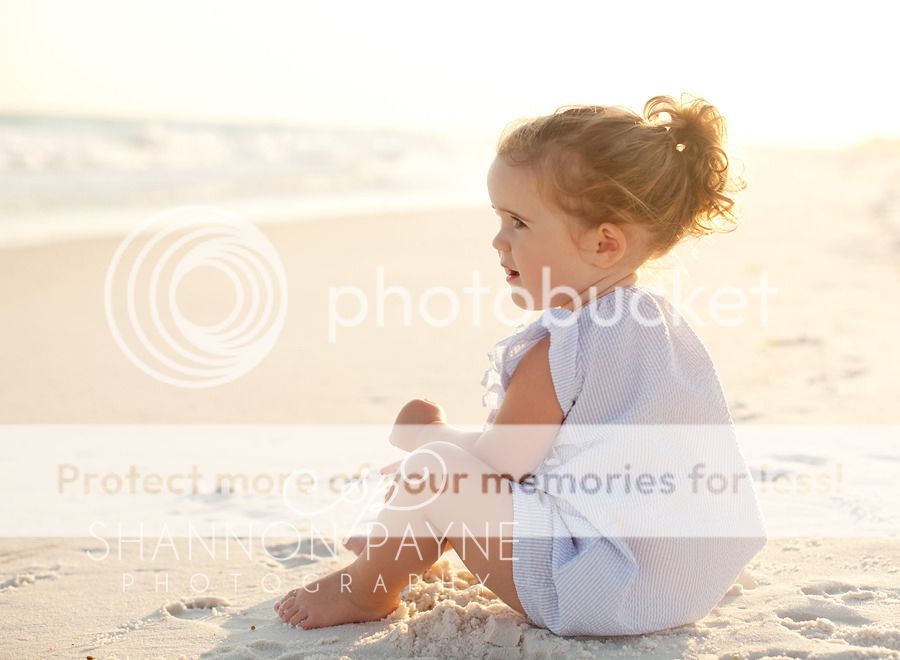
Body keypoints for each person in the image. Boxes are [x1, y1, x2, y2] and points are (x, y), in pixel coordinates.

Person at [275, 93, 766, 635]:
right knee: (447, 475)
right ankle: (419, 537)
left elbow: (504, 463)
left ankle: (365, 589)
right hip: (681, 580)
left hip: (596, 588)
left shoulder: (564, 345)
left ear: (603, 243)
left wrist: (429, 436)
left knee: (434, 472)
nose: (498, 240)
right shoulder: (660, 329)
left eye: (518, 223)